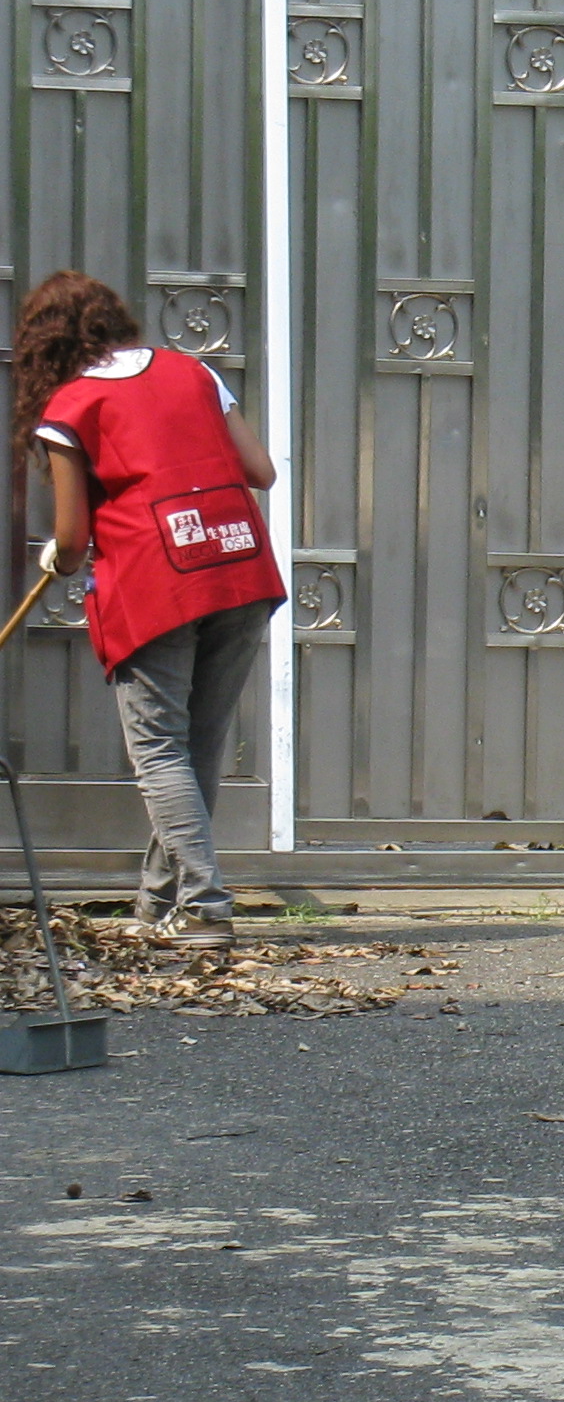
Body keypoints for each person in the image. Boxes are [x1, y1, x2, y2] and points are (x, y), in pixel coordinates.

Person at [12, 272, 286, 952]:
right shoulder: (191, 371)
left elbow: (73, 542)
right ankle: (158, 901)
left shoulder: (73, 405)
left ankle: (203, 906)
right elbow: (261, 470)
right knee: (197, 747)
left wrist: (58, 556)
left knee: (160, 749)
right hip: (239, 566)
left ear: (45, 345)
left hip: (157, 582)